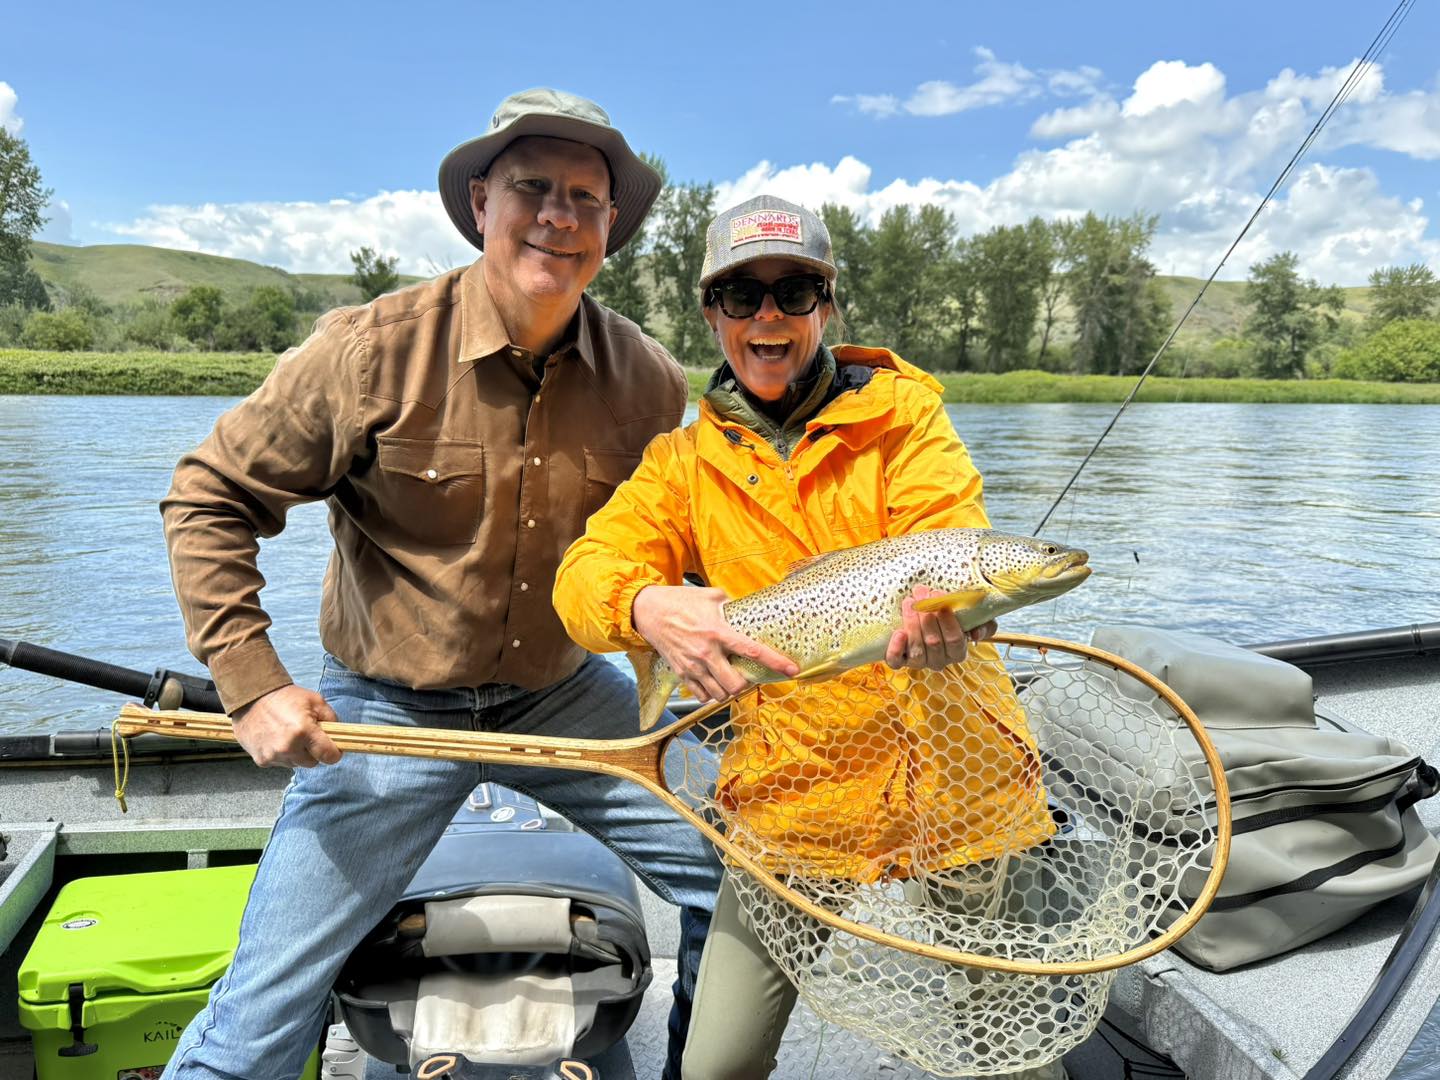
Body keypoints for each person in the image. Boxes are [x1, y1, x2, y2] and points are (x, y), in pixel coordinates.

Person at [159, 88, 725, 1080]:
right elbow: (207, 497)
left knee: (751, 881)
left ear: (611, 230)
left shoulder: (648, 382)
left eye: (585, 200)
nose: (557, 217)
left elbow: (681, 548)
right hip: (387, 710)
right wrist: (253, 684)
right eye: (531, 189)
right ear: (479, 203)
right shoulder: (368, 352)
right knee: (261, 1013)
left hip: (565, 699)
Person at [553, 195, 1063, 1079]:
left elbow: (945, 529)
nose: (768, 317)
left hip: (958, 777)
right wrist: (643, 607)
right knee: (715, 1067)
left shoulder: (908, 420)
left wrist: (949, 620)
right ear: (712, 314)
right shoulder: (680, 465)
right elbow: (582, 575)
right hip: (797, 791)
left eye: (793, 291)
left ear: (826, 305)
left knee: (1012, 1059)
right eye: (741, 298)